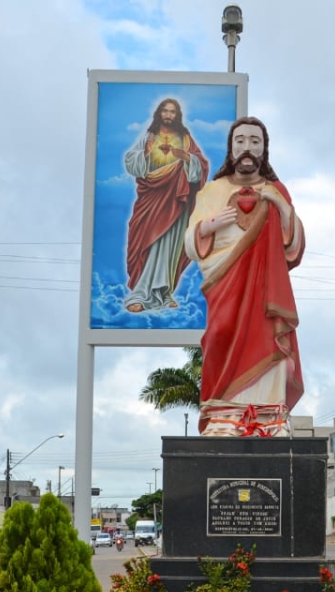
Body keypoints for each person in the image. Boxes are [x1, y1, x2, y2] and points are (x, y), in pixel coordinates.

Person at [184, 116, 305, 437]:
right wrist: (208, 225)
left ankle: (267, 418)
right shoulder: (213, 190)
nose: (247, 148)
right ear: (230, 148)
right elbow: (191, 243)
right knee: (220, 337)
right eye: (240, 141)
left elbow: (294, 245)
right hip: (224, 283)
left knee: (268, 342)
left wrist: (281, 205)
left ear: (264, 149)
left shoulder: (276, 190)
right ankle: (224, 418)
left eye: (255, 141)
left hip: (267, 290)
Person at [123, 98, 210, 314]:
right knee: (148, 240)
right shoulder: (149, 137)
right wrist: (145, 153)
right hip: (152, 198)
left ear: (177, 115)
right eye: (165, 111)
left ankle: (164, 292)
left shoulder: (186, 139)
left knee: (170, 245)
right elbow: (130, 161)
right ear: (159, 113)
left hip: (175, 200)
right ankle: (140, 293)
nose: (168, 115)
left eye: (172, 112)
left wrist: (187, 158)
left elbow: (202, 164)